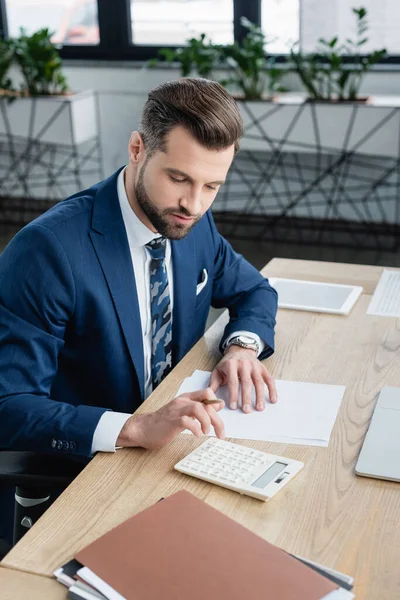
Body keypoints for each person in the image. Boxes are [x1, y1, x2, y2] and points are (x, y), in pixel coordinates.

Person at [0, 77, 278, 458]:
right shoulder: (48, 251)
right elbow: (10, 405)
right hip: (88, 465)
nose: (194, 204)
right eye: (178, 178)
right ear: (137, 149)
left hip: (178, 447)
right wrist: (135, 426)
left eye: (212, 186)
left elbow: (255, 290)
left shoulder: (191, 224)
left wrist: (242, 348)